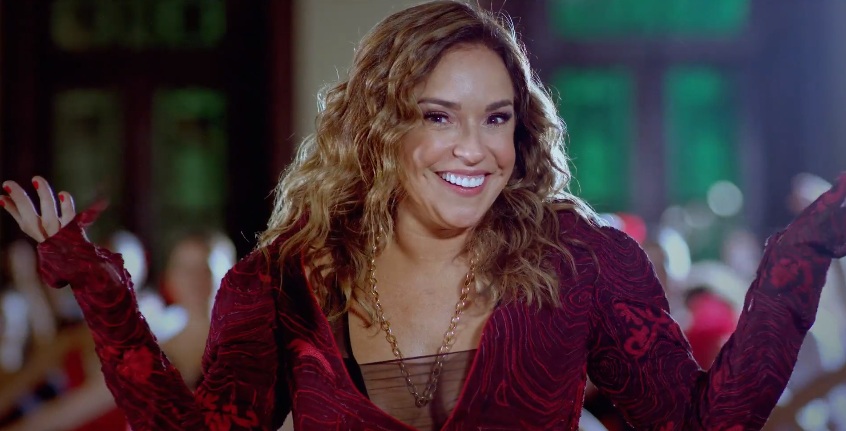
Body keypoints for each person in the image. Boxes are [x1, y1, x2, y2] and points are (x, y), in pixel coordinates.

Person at [0, 1, 845, 430]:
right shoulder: (285, 278)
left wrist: (806, 248)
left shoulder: (578, 262)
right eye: (439, 116)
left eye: (496, 117)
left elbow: (705, 422)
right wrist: (100, 290)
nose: (474, 148)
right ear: (380, 130)